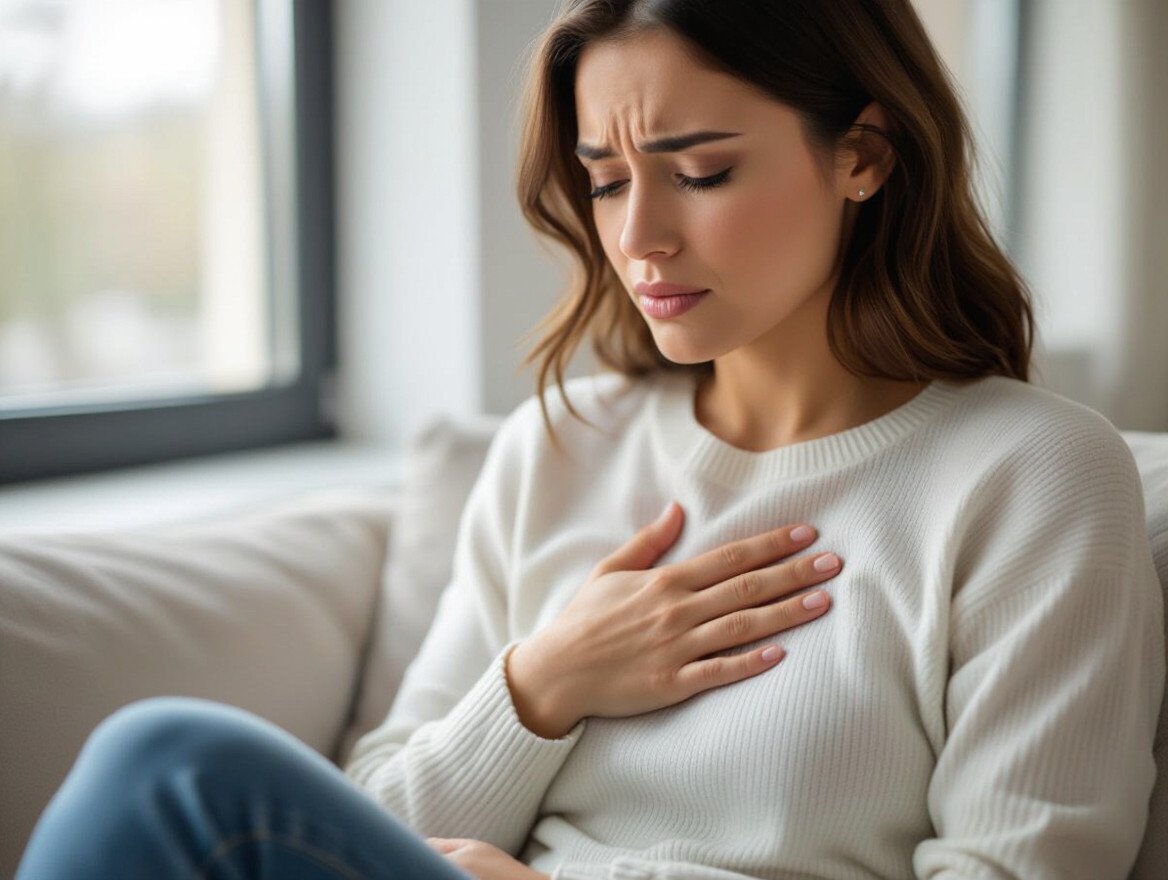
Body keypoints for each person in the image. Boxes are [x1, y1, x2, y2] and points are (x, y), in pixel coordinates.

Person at [16, 0, 1165, 878]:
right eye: (606, 180)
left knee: (170, 767)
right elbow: (377, 811)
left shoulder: (1034, 477)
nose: (640, 237)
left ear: (862, 153)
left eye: (700, 172)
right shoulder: (558, 447)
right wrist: (542, 682)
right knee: (164, 765)